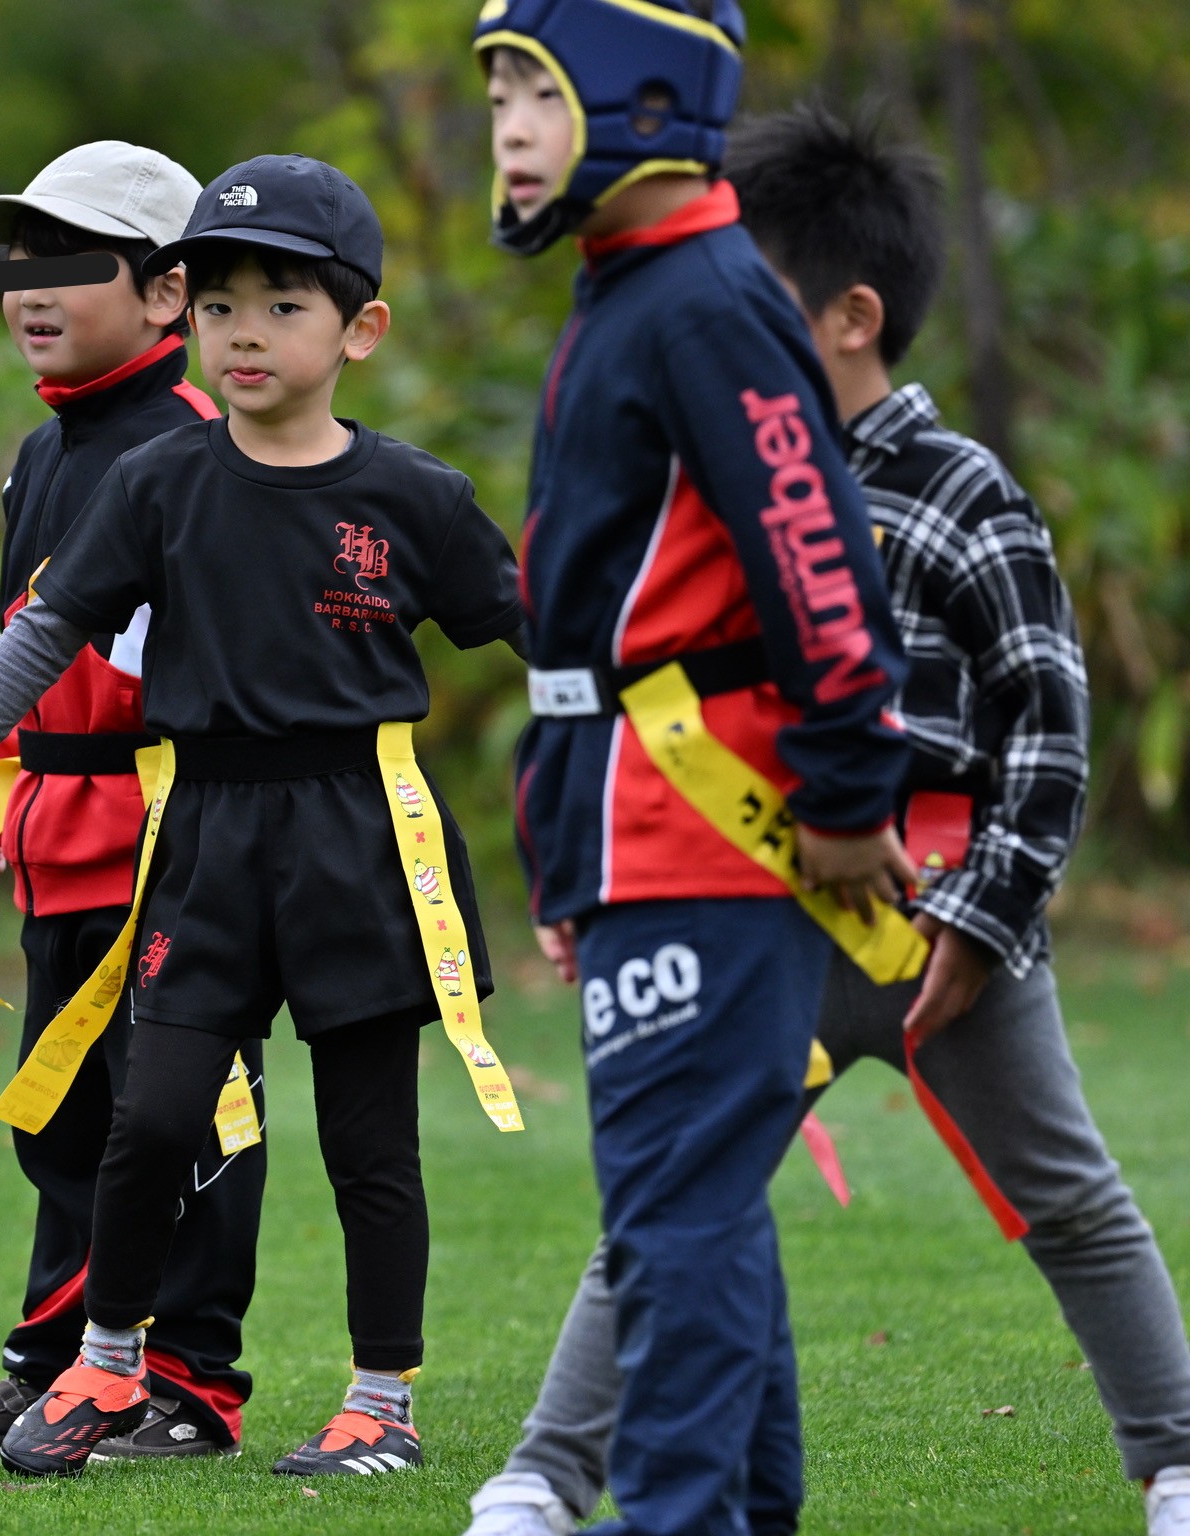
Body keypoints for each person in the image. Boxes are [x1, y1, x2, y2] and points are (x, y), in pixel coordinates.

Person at [464, 106, 1190, 1536]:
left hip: (942, 932)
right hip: (742, 910)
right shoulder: (695, 486)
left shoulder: (966, 490)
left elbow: (1047, 723)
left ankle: (1176, 1457)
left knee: (1072, 1199)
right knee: (678, 1195)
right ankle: (546, 1476)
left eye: (756, 297)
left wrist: (985, 917)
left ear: (852, 318)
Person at [0, 153, 527, 1478]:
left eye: (284, 306)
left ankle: (380, 1405)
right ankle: (107, 1370)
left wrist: (629, 738)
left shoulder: (415, 496)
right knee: (156, 1118)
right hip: (201, 841)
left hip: (362, 838)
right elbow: (51, 626)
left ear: (361, 328)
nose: (247, 332)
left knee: (370, 1146)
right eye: (224, 305)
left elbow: (539, 631)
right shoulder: (160, 482)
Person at [472, 4, 921, 1532]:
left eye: (536, 89)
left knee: (678, 1211)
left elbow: (819, 561)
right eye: (496, 93)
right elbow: (585, 630)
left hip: (706, 830)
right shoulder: (627, 287)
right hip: (627, 831)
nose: (507, 125)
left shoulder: (708, 302)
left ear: (647, 96)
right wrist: (565, 856)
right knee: (694, 1205)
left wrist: (848, 792)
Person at [0, 141, 268, 1464]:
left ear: (168, 294)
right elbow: (37, 643)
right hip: (65, 837)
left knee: (192, 1113)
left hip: (183, 840)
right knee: (64, 1118)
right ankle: (53, 1369)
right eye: (19, 263)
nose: (33, 290)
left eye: (72, 261)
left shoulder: (205, 449)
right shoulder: (43, 453)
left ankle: (189, 1386)